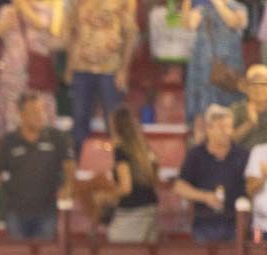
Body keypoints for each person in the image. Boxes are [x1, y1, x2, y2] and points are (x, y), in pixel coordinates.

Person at [0, 91, 74, 240]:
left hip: (47, 211)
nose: (40, 115)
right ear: (21, 115)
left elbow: (70, 166)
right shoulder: (9, 141)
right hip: (15, 212)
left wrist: (68, 187)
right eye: (34, 112)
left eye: (42, 111)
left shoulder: (57, 138)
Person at [64, 0, 137, 153]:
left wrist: (124, 69)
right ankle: (77, 168)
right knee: (79, 122)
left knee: (114, 124)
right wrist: (69, 66)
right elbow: (71, 33)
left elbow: (131, 35)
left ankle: (120, 167)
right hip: (81, 68)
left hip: (110, 69)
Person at [175, 104, 248, 243]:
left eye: (229, 127)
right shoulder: (196, 155)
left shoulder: (242, 155)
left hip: (236, 223)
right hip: (205, 222)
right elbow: (179, 186)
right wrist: (205, 197)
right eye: (221, 127)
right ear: (209, 129)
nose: (226, 132)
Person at [0, 0, 58, 134]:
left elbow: (40, 25)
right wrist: (11, 15)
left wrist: (22, 6)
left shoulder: (45, 10)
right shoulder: (8, 10)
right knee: (11, 122)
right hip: (11, 73)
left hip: (36, 75)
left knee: (39, 121)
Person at [98, 106, 159, 244]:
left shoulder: (121, 151)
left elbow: (126, 187)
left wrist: (105, 196)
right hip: (150, 208)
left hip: (131, 213)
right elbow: (154, 176)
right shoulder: (143, 148)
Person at [184, 0, 247, 128]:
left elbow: (234, 22)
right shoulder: (199, 7)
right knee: (201, 115)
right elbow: (189, 24)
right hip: (202, 66)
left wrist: (218, 3)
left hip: (229, 68)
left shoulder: (239, 7)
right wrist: (189, 7)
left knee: (230, 110)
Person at [233, 64, 267, 148]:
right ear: (247, 87)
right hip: (245, 157)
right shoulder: (237, 109)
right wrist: (249, 123)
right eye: (254, 84)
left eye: (263, 84)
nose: (258, 89)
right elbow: (229, 140)